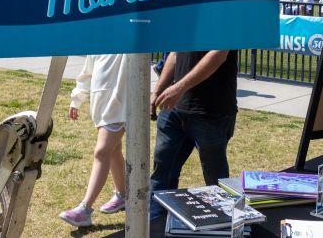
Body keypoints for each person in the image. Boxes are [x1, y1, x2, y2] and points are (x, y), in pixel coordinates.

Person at [149, 50, 238, 220]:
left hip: (212, 112)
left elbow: (218, 55)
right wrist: (157, 91)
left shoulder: (224, 29)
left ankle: (223, 224)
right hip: (174, 111)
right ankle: (154, 225)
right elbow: (175, 52)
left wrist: (179, 88)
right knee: (162, 173)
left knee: (215, 181)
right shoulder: (186, 28)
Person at [59, 54, 129, 228]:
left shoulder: (130, 42)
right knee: (113, 151)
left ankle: (85, 210)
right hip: (101, 106)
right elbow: (87, 74)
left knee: (102, 152)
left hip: (120, 106)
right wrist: (76, 100)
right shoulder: (99, 44)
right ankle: (123, 195)